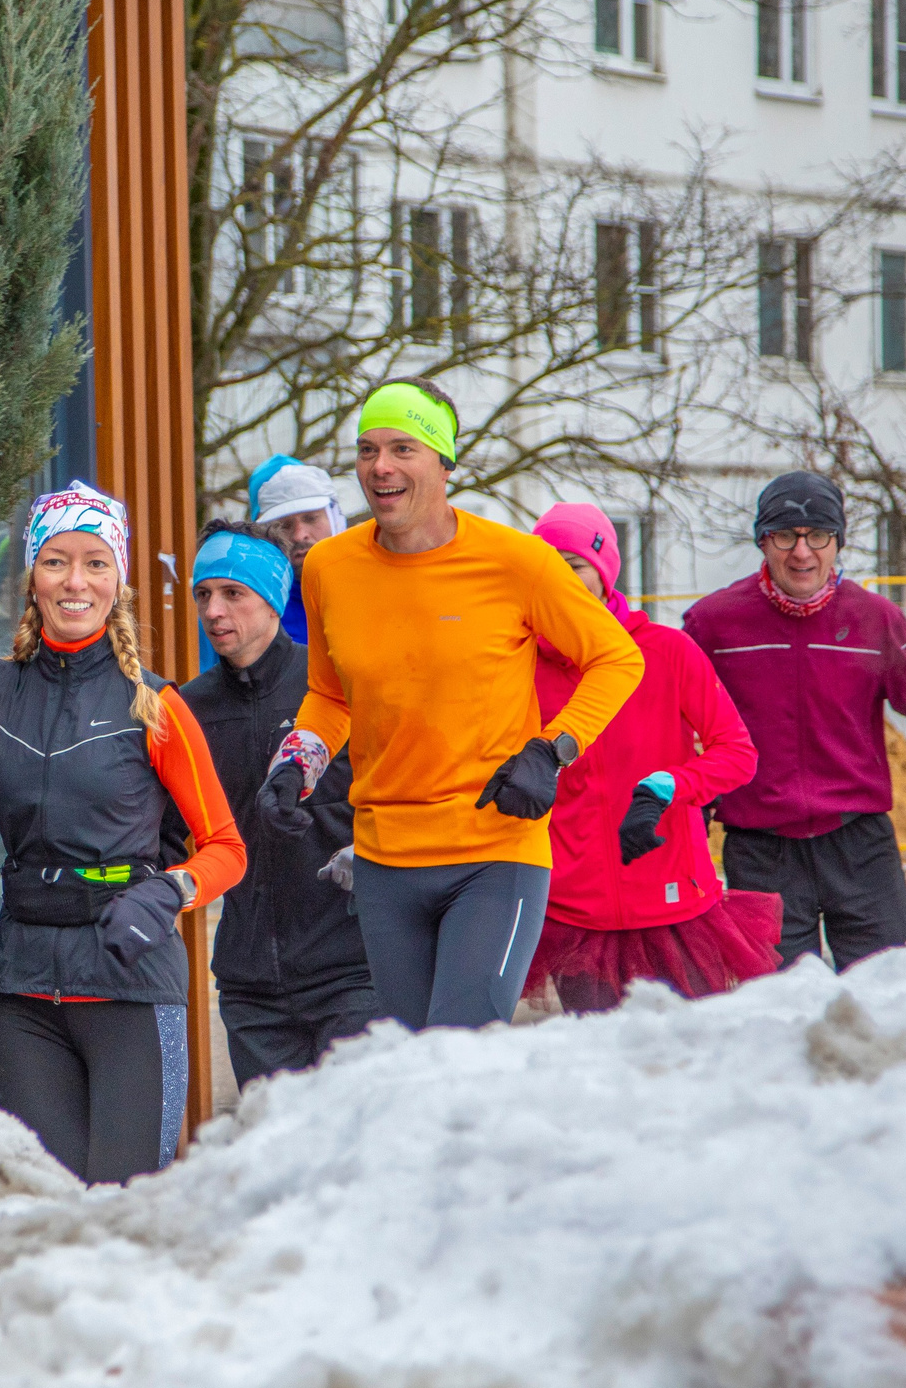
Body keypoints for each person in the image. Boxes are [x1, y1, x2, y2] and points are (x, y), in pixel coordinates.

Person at [261, 382, 645, 1031]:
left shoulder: (516, 561)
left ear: (444, 464)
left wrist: (553, 751)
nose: (380, 465)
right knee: (417, 1064)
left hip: (495, 850)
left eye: (402, 448)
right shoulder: (329, 566)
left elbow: (617, 657)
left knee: (461, 1047)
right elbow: (330, 694)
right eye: (367, 449)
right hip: (385, 861)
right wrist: (296, 762)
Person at [0, 483, 245, 1183]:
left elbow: (226, 846)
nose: (76, 581)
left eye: (96, 562)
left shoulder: (157, 704)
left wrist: (168, 893)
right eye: (57, 561)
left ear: (118, 580)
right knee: (44, 1205)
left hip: (129, 981)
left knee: (124, 1207)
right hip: (23, 990)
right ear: (30, 578)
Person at [683, 470, 906, 971]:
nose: (802, 552)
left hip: (859, 845)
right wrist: (684, 794)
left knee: (890, 992)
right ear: (763, 541)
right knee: (775, 1007)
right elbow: (675, 715)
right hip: (761, 849)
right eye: (785, 536)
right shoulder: (715, 623)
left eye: (818, 536)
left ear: (837, 542)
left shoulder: (875, 618)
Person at [521, 504, 780, 1011]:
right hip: (577, 914)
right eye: (545, 566)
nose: (559, 580)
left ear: (604, 571)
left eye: (572, 565)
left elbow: (737, 753)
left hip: (675, 905)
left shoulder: (667, 651)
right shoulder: (519, 667)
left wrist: (666, 786)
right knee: (604, 1069)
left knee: (692, 1059)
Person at [178, 521, 378, 1083]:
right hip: (251, 989)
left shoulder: (336, 686)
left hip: (351, 974)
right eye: (203, 594)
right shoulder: (189, 708)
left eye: (233, 593)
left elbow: (397, 794)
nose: (214, 611)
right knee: (277, 1156)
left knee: (356, 1152)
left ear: (272, 599)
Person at [247, 454, 346, 644]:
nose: (299, 535)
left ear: (336, 518)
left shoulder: (372, 586)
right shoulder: (250, 610)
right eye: (284, 525)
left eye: (311, 518)